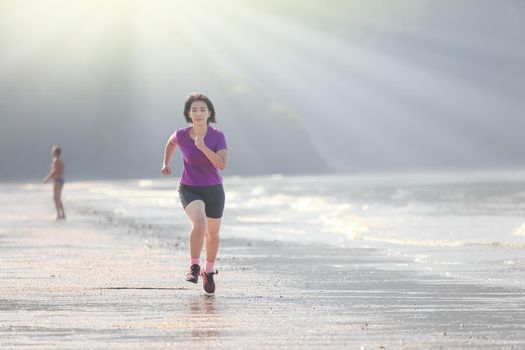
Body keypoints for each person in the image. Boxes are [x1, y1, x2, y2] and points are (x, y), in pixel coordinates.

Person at [161, 93, 228, 295]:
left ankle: (208, 271)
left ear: (209, 113)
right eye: (194, 110)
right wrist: (166, 162)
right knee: (200, 225)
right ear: (188, 114)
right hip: (189, 188)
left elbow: (222, 164)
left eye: (202, 109)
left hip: (214, 189)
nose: (198, 113)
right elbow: (171, 142)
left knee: (213, 235)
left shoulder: (217, 136)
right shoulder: (182, 134)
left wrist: (203, 147)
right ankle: (194, 266)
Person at [43, 145, 66, 220]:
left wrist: (47, 178)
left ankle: (58, 215)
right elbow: (62, 171)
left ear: (55, 153)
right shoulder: (61, 161)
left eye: (53, 151)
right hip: (61, 180)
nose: (52, 152)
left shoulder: (55, 160)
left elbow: (54, 171)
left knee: (55, 198)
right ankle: (63, 214)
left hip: (57, 181)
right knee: (58, 198)